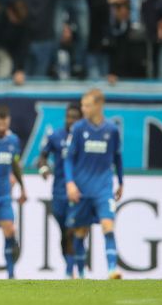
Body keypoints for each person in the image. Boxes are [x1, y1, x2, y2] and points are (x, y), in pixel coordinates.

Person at [64, 89, 123, 279]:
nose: (83, 109)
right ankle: (80, 274)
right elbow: (69, 159)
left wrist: (121, 181)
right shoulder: (79, 129)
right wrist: (70, 183)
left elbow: (117, 158)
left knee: (108, 225)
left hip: (103, 189)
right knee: (80, 231)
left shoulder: (112, 130)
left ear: (99, 106)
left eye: (87, 105)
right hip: (81, 189)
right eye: (82, 105)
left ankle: (112, 269)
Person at [38, 103, 82, 278]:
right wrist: (44, 169)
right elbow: (42, 157)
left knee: (74, 230)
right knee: (65, 232)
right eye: (68, 116)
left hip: (79, 192)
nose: (70, 120)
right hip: (58, 191)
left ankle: (71, 270)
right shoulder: (56, 136)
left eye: (74, 117)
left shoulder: (85, 137)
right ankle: (70, 266)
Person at [0, 105, 26, 279]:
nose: (1, 128)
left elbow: (15, 163)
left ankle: (10, 274)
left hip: (3, 195)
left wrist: (23, 187)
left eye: (5, 124)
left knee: (9, 230)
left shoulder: (13, 140)